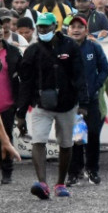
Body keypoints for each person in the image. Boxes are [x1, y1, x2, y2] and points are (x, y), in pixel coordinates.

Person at [15, 12, 88, 200]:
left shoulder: (70, 46)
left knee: (66, 144)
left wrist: (83, 103)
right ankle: (43, 183)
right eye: (39, 26)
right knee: (38, 141)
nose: (42, 30)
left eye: (46, 27)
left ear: (55, 26)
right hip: (41, 105)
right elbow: (26, 82)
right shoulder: (32, 51)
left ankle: (60, 183)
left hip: (67, 105)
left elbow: (80, 75)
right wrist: (21, 113)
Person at [66, 16, 108, 187]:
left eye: (80, 27)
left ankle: (92, 169)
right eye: (73, 27)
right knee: (75, 137)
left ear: (86, 30)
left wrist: (96, 85)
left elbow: (104, 69)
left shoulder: (94, 47)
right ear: (68, 30)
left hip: (91, 100)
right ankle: (74, 172)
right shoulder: (63, 49)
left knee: (93, 134)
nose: (76, 30)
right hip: (72, 102)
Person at [0, 33, 22, 184]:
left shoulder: (12, 51)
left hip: (7, 102)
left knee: (6, 137)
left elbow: (23, 75)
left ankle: (7, 171)